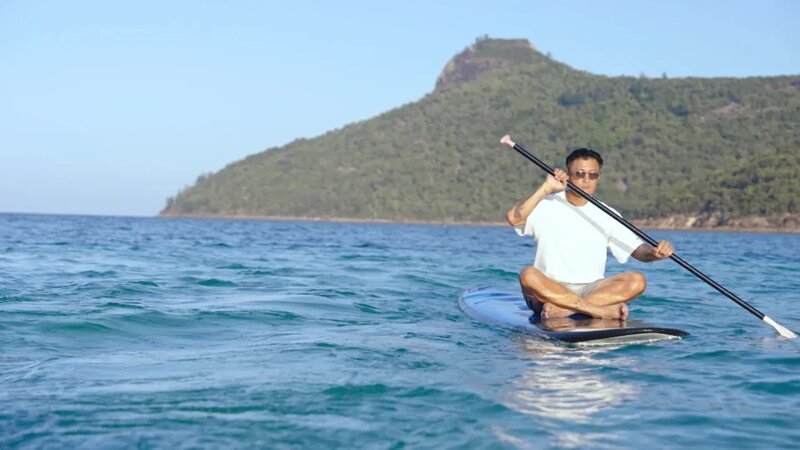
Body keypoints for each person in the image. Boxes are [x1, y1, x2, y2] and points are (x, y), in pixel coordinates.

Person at [504, 138, 674, 320]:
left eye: (592, 175)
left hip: (591, 290)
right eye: (579, 174)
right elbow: (514, 218)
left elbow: (638, 251)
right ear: (568, 175)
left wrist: (655, 252)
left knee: (637, 280)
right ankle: (597, 311)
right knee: (528, 275)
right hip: (550, 290)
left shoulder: (608, 213)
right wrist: (546, 188)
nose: (586, 180)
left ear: (598, 178)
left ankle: (568, 310)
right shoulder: (546, 203)